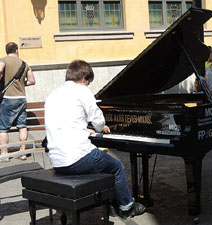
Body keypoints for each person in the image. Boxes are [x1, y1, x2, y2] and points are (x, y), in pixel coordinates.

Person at [44, 59, 145, 219]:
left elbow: (66, 122)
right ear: (84, 78)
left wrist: (86, 130)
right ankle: (127, 207)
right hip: (77, 158)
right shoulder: (82, 91)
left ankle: (111, 204)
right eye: (88, 82)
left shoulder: (52, 96)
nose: (88, 85)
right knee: (116, 166)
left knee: (105, 165)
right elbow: (98, 120)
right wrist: (100, 128)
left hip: (57, 161)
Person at [0, 42, 36, 162]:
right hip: (21, 98)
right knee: (22, 126)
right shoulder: (24, 64)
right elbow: (32, 81)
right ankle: (23, 152)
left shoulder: (3, 60)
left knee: (3, 127)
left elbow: (0, 70)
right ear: (16, 51)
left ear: (7, 51)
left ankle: (5, 154)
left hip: (8, 98)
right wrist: (20, 84)